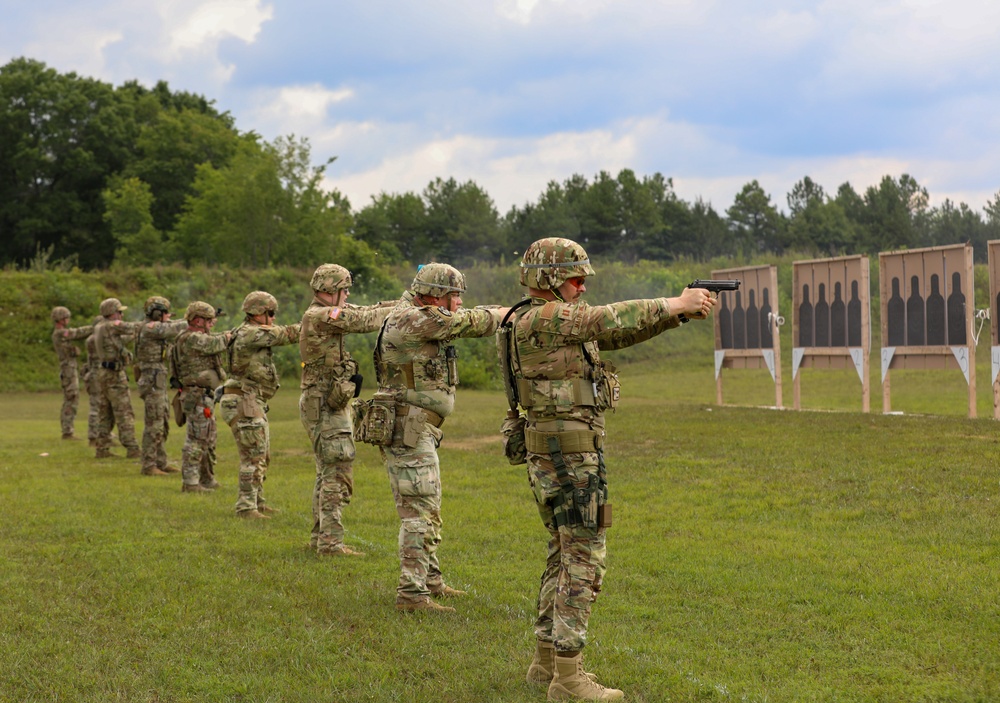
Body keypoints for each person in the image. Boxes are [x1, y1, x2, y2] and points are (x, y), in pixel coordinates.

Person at [501, 237, 715, 701]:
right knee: (584, 557)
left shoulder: (542, 321)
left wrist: (675, 315)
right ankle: (569, 678)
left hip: (558, 453)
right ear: (550, 280)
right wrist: (673, 300)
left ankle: (545, 663)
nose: (582, 288)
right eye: (575, 279)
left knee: (563, 553)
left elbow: (616, 333)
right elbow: (607, 317)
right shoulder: (544, 316)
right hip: (570, 457)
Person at [374, 263, 506, 613]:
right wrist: (512, 313)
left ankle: (430, 581)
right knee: (419, 512)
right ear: (433, 294)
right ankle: (412, 595)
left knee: (428, 508)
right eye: (454, 295)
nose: (459, 302)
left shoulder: (417, 314)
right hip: (410, 428)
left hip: (419, 427)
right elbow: (473, 322)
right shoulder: (413, 319)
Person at [299, 264, 395, 553]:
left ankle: (321, 538)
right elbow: (365, 320)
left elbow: (368, 308)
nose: (348, 292)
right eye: (344, 288)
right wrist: (404, 309)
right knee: (337, 471)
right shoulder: (322, 314)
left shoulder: (324, 312)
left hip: (325, 401)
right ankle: (330, 542)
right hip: (325, 404)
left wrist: (401, 302)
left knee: (327, 471)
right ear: (330, 290)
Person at [219, 291, 300, 518]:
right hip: (244, 400)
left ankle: (258, 502)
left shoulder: (244, 332)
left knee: (261, 455)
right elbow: (286, 334)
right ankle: (246, 507)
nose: (273, 318)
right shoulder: (251, 333)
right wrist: (315, 324)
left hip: (250, 400)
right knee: (253, 457)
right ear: (258, 313)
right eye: (270, 313)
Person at [170, 301, 231, 493]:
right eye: (209, 320)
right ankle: (190, 482)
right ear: (197, 320)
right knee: (197, 440)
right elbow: (215, 343)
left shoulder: (193, 337)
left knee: (208, 438)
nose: (213, 323)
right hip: (196, 396)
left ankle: (206, 478)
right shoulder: (191, 338)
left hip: (203, 395)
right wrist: (232, 335)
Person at [135, 296, 186, 476]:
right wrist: (193, 320)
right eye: (165, 313)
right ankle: (149, 465)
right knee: (154, 423)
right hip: (152, 378)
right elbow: (172, 328)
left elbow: (171, 325)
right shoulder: (151, 328)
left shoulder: (156, 326)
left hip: (157, 377)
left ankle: (160, 462)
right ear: (157, 313)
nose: (167, 316)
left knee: (162, 421)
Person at [92, 298, 142, 460]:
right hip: (114, 374)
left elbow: (119, 341)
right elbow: (133, 327)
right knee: (124, 412)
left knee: (106, 412)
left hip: (104, 373)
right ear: (111, 313)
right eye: (119, 312)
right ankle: (132, 447)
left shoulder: (102, 327)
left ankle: (102, 448)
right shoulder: (110, 326)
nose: (121, 315)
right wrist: (151, 324)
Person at [50, 306, 93, 440]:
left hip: (70, 367)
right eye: (66, 317)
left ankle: (68, 430)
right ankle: (67, 431)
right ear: (61, 319)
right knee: (71, 398)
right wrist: (94, 327)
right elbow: (77, 333)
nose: (68, 320)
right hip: (67, 369)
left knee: (73, 397)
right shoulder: (60, 333)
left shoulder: (61, 333)